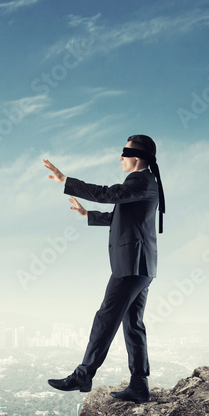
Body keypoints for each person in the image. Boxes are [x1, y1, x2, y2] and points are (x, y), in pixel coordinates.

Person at [41, 134, 165, 402]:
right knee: (132, 324)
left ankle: (84, 375)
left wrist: (66, 181)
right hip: (141, 266)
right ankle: (139, 385)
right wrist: (88, 215)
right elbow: (121, 216)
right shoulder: (144, 183)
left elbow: (109, 194)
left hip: (131, 265)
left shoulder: (140, 180)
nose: (120, 158)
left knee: (106, 318)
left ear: (138, 158)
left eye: (125, 153)